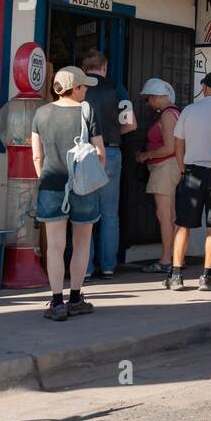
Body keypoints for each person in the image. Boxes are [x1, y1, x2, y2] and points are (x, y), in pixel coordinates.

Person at [31, 67, 105, 321]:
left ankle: (56, 302)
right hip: (82, 185)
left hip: (51, 184)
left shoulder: (41, 113)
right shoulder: (87, 111)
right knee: (82, 243)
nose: (86, 90)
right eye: (84, 86)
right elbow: (100, 153)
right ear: (75, 88)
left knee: (54, 246)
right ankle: (75, 297)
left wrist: (43, 176)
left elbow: (37, 155)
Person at [167, 72, 211, 291]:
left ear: (204, 87)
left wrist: (182, 169)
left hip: (193, 172)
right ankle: (207, 276)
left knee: (182, 226)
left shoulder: (190, 110)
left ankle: (177, 275)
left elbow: (178, 144)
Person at [80, 50, 136, 279]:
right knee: (109, 214)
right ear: (104, 67)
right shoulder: (115, 87)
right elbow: (130, 124)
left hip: (83, 152)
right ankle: (108, 266)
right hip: (111, 151)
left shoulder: (78, 87)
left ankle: (85, 267)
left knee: (85, 214)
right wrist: (112, 135)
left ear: (85, 69)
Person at [135, 78, 181, 272]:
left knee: (164, 215)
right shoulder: (175, 113)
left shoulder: (167, 115)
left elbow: (169, 147)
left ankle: (165, 260)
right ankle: (175, 258)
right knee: (171, 215)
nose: (148, 102)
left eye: (150, 98)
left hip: (164, 167)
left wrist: (145, 155)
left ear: (159, 97)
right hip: (170, 167)